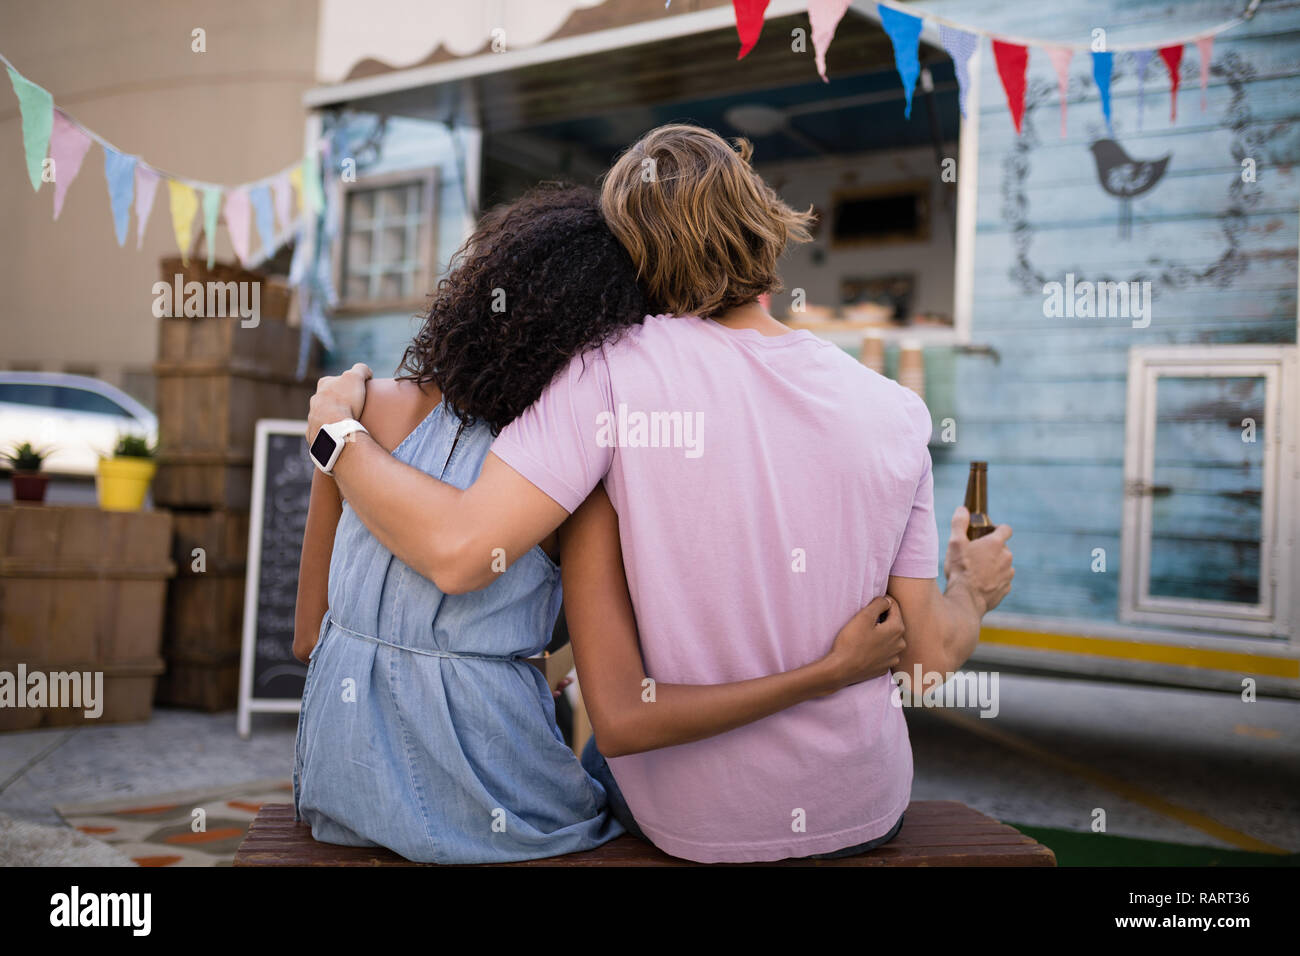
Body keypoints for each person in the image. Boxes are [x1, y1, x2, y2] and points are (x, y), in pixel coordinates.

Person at [307, 126, 1014, 862]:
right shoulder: (896, 411)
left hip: (693, 825)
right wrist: (972, 588)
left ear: (632, 255)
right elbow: (926, 662)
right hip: (866, 809)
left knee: (585, 758)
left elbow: (459, 553)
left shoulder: (611, 372)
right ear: (764, 227)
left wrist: (336, 434)